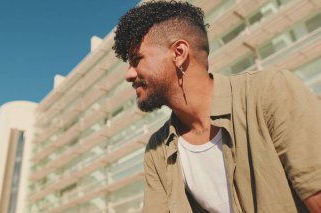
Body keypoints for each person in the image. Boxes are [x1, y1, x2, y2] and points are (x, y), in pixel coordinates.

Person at [112, 1, 321, 213]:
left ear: (179, 53)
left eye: (137, 60)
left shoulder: (269, 91)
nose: (128, 75)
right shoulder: (157, 148)